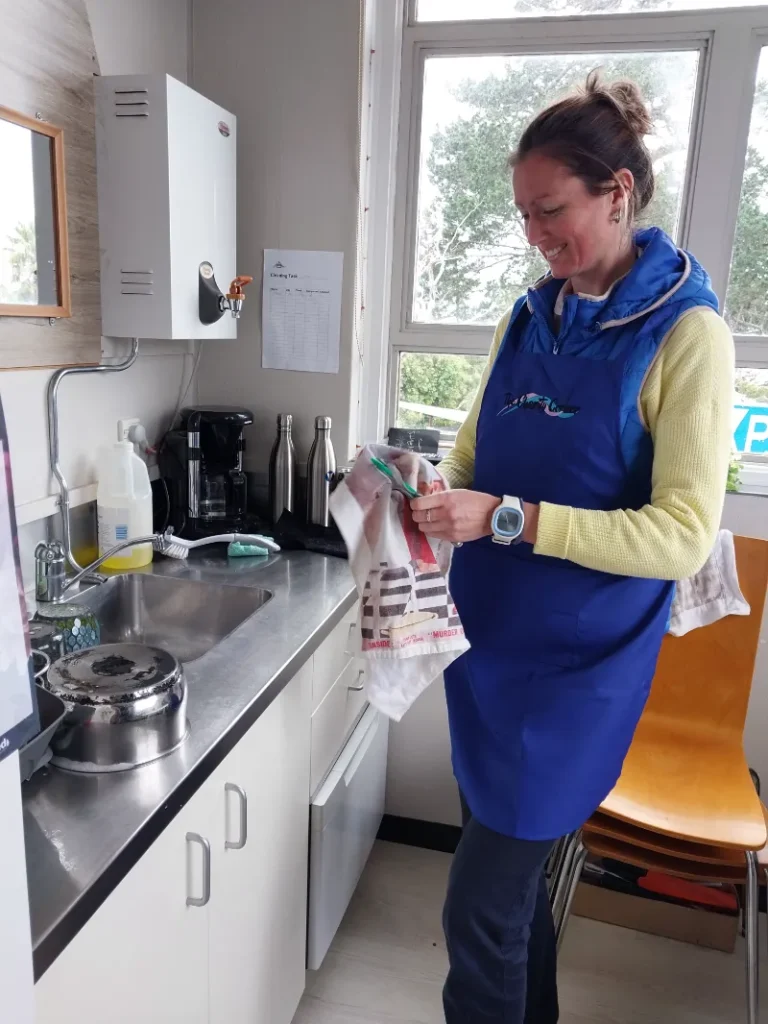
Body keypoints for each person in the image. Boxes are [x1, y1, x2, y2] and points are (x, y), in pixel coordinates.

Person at [409, 70, 733, 1023]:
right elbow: (473, 451)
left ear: (617, 192)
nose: (534, 236)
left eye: (551, 210)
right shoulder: (531, 312)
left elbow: (681, 533)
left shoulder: (687, 334)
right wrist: (432, 490)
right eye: (522, 214)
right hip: (489, 657)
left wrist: (506, 518)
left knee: (477, 913)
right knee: (511, 901)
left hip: (575, 677)